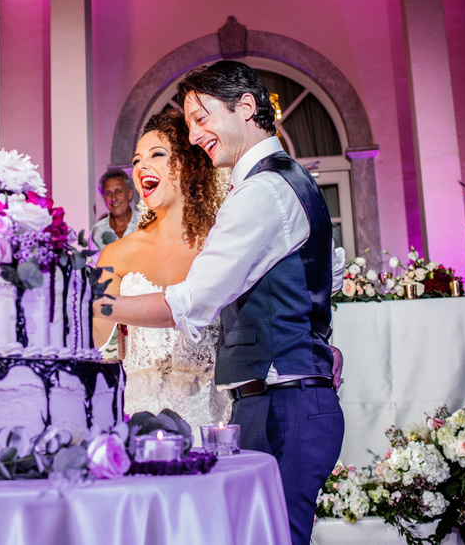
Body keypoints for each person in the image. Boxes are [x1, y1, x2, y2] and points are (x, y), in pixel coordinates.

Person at [93, 61, 343, 545]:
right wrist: (315, 340)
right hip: (267, 400)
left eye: (201, 118)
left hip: (279, 404)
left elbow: (190, 302)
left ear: (246, 107)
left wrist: (97, 302)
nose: (196, 133)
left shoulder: (262, 192)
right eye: (188, 124)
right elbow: (312, 282)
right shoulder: (284, 181)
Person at [93, 110, 231, 438]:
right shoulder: (116, 253)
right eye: (137, 159)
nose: (141, 167)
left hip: (213, 422)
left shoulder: (223, 246)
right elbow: (92, 336)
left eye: (157, 154)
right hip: (139, 423)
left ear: (188, 164)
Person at [90, 168, 139, 251]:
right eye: (108, 193)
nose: (113, 198)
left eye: (119, 191)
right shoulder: (97, 231)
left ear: (130, 194)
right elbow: (93, 263)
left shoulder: (148, 224)